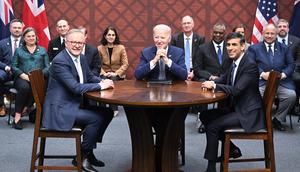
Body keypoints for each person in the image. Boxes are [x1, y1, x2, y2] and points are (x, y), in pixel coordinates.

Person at [42, 29, 114, 172]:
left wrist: (103, 80)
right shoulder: (59, 61)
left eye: (80, 42)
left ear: (84, 43)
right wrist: (101, 86)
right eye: (73, 42)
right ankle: (82, 156)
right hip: (60, 109)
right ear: (66, 43)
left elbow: (88, 76)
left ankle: (89, 151)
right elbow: (75, 88)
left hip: (72, 104)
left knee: (108, 112)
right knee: (96, 119)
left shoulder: (80, 57)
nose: (77, 45)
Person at [200, 32, 265, 172]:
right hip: (237, 108)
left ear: (243, 47)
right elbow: (224, 79)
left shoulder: (250, 65)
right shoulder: (234, 62)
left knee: (212, 126)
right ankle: (233, 149)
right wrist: (211, 82)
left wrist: (215, 86)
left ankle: (210, 168)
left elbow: (236, 90)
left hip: (248, 112)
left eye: (234, 44)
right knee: (204, 116)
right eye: (228, 45)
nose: (230, 48)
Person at [248, 23, 296, 131]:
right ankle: (262, 119)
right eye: (267, 33)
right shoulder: (253, 48)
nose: (269, 36)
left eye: (272, 34)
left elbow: (291, 65)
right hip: (262, 81)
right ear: (263, 33)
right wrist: (261, 74)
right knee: (255, 95)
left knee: (291, 96)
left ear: (276, 35)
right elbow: (250, 65)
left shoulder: (284, 48)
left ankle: (278, 119)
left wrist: (283, 74)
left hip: (281, 82)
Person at [193, 22, 231, 133]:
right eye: (215, 33)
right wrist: (210, 77)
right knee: (202, 85)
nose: (218, 35)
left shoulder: (230, 47)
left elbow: (232, 66)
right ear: (212, 33)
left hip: (224, 79)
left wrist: (222, 78)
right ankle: (202, 120)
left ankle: (222, 119)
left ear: (224, 34)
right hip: (207, 78)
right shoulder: (202, 48)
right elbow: (197, 69)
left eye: (220, 33)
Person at [11, 27, 50, 130]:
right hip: (22, 78)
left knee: (38, 87)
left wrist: (38, 76)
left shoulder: (42, 50)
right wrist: (22, 75)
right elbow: (13, 66)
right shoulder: (19, 50)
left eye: (33, 36)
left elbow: (47, 67)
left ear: (36, 37)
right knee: (25, 88)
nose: (31, 38)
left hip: (38, 78)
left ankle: (23, 109)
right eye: (28, 36)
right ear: (24, 38)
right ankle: (18, 116)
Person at [98, 26, 129, 116]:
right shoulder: (100, 48)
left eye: (113, 35)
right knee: (103, 81)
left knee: (113, 80)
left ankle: (114, 109)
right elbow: (97, 64)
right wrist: (104, 73)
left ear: (115, 36)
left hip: (117, 73)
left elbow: (125, 64)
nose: (111, 37)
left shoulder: (121, 47)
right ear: (105, 36)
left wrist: (116, 73)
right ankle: (102, 108)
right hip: (104, 73)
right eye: (109, 35)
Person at [0, 19, 24, 117]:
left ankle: (23, 107)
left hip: (21, 71)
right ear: (10, 29)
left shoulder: (27, 42)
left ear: (22, 29)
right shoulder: (2, 43)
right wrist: (5, 67)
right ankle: (1, 105)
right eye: (15, 27)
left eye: (19, 28)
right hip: (6, 70)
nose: (17, 30)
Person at [171, 15, 205, 81]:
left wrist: (194, 72)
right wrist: (182, 72)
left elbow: (200, 59)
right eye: (184, 23)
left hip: (195, 72)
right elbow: (174, 58)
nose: (186, 25)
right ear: (182, 25)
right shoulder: (175, 39)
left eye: (188, 23)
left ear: (193, 24)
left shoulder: (200, 39)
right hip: (179, 70)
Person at [277, 19, 300, 98]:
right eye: (279, 27)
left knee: (297, 78)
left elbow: (298, 58)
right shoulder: (272, 40)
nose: (282, 28)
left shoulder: (296, 41)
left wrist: (293, 68)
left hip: (293, 70)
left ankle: (295, 103)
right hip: (276, 70)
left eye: (284, 26)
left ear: (288, 29)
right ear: (276, 29)